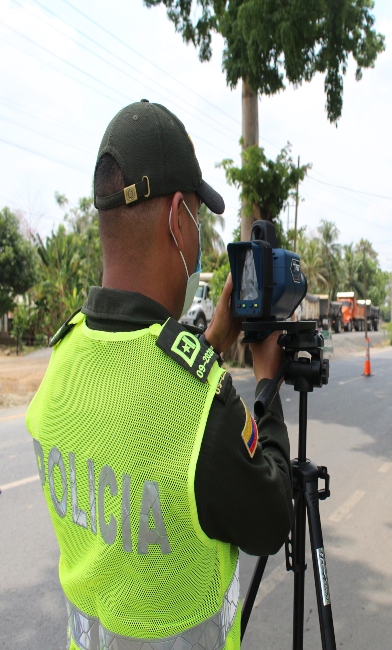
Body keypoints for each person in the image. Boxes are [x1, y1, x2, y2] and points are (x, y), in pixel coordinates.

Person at [26, 100, 293, 650]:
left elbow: (144, 391)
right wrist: (266, 384)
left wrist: (215, 340)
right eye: (197, 216)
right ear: (177, 218)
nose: (199, 237)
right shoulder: (198, 403)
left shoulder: (66, 354)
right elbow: (269, 521)